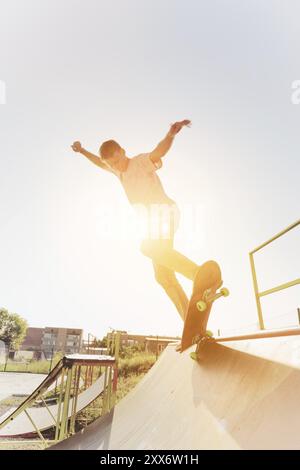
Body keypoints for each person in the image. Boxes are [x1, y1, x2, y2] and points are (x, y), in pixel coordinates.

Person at [71, 120, 202, 321]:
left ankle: (198, 274)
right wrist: (82, 151)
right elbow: (100, 162)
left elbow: (158, 152)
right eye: (112, 164)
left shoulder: (139, 162)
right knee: (162, 276)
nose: (116, 166)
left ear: (123, 151)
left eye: (117, 160)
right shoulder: (117, 170)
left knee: (147, 247)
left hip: (165, 212)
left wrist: (170, 135)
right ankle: (190, 320)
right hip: (153, 221)